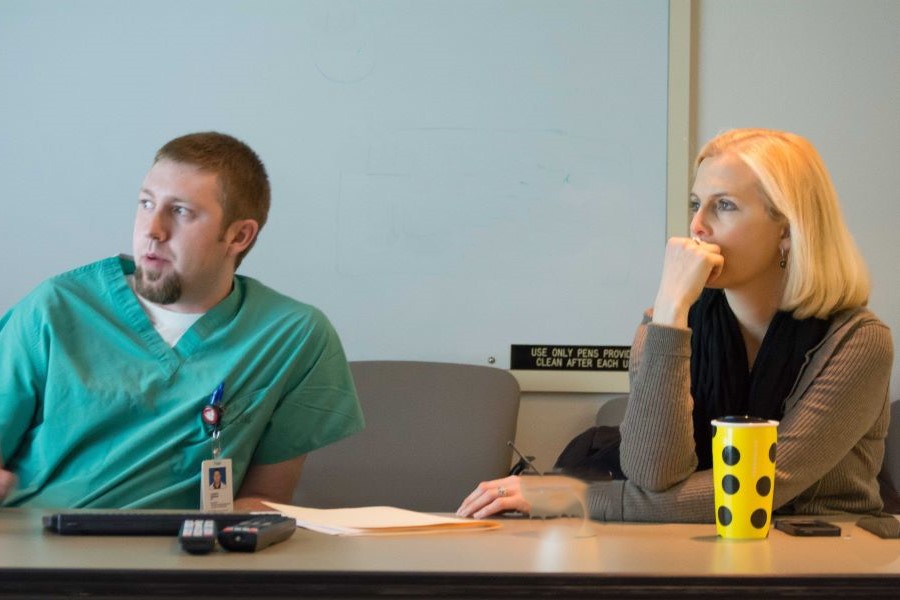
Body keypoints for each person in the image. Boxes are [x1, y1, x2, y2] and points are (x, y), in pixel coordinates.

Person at [457, 128, 893, 522]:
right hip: (689, 546)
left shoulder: (857, 342)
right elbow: (651, 474)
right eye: (695, 203)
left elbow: (758, 492)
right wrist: (669, 312)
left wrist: (574, 499)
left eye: (724, 205)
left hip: (824, 558)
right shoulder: (670, 317)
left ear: (787, 228)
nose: (697, 226)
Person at [0, 132, 364, 510]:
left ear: (239, 235)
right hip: (39, 554)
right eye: (146, 203)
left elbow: (265, 501)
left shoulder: (291, 336)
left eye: (181, 211)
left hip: (187, 561)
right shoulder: (57, 307)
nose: (152, 230)